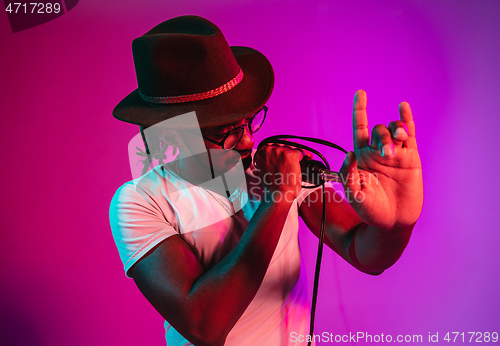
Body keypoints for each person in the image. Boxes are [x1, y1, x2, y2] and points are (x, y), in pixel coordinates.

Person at [109, 15, 423, 346]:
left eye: (248, 122)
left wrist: (397, 225)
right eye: (227, 132)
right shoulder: (141, 201)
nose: (247, 141)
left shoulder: (278, 165)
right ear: (174, 133)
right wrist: (277, 200)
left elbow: (363, 252)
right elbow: (204, 325)